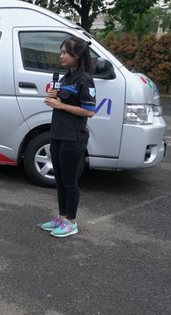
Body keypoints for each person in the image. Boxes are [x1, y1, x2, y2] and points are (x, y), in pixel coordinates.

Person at [41, 36, 96, 238]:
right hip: (58, 134)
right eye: (61, 52)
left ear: (77, 55)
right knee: (60, 179)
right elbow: (61, 102)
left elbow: (89, 111)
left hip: (74, 137)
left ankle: (71, 222)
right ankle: (62, 217)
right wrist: (54, 97)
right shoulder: (66, 78)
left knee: (70, 181)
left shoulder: (85, 80)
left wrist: (60, 105)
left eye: (65, 52)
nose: (61, 56)